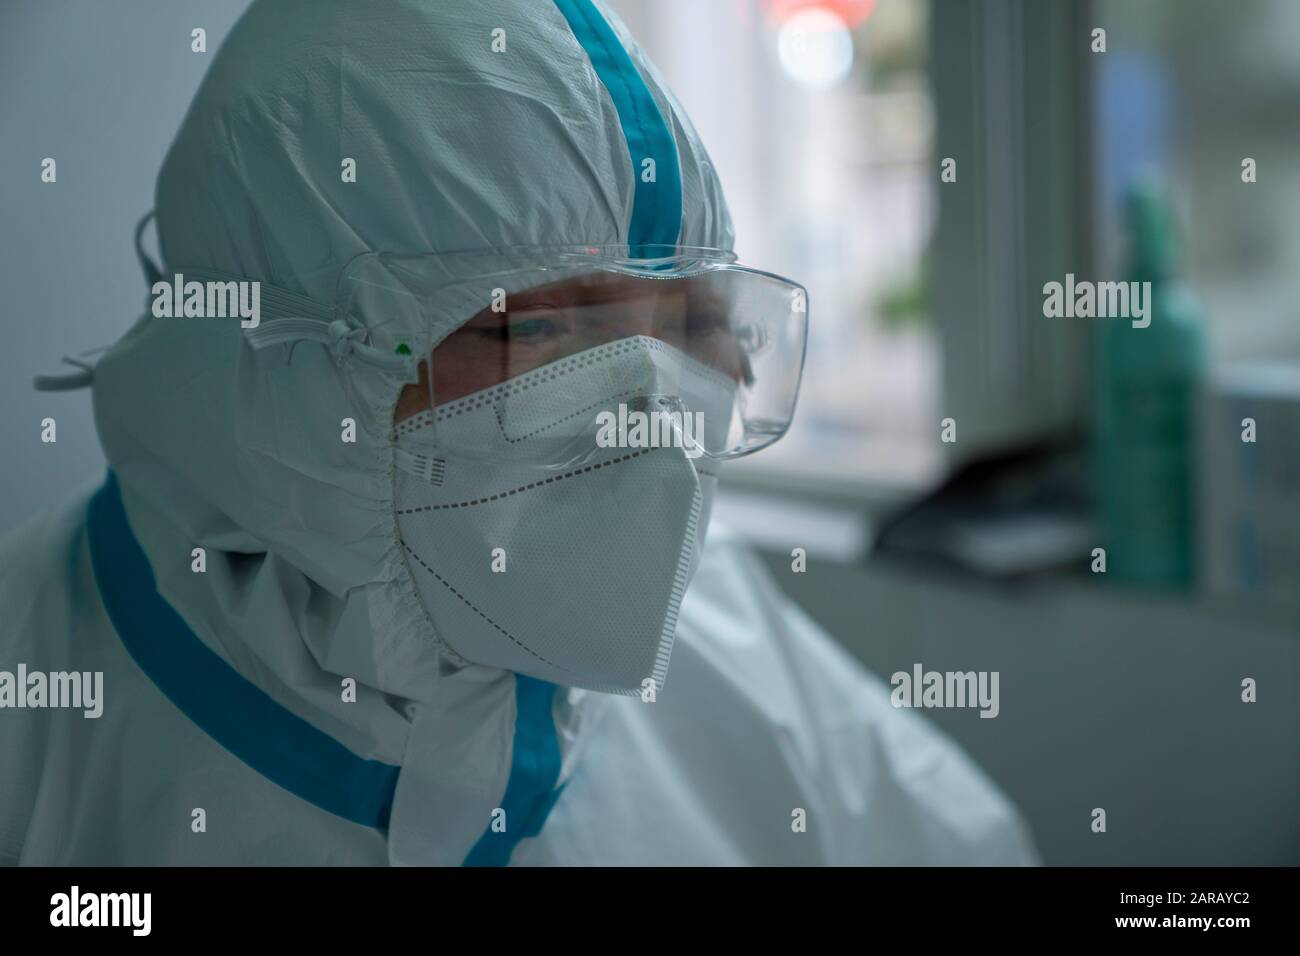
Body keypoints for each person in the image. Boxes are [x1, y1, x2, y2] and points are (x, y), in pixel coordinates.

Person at [0, 0, 1038, 866]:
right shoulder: (37, 691)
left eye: (701, 326)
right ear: (280, 359)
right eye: (543, 328)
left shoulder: (725, 630)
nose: (654, 424)